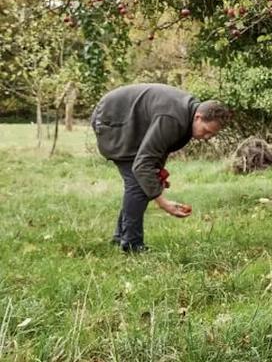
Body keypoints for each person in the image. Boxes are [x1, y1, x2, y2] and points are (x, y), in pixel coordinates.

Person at [91, 83, 230, 252]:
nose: (207, 137)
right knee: (137, 184)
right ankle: (131, 245)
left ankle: (121, 236)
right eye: (206, 131)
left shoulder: (186, 116)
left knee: (143, 182)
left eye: (212, 135)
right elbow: (142, 165)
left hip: (131, 124)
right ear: (198, 117)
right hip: (113, 119)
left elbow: (158, 148)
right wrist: (163, 202)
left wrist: (158, 176)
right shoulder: (173, 118)